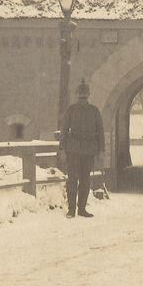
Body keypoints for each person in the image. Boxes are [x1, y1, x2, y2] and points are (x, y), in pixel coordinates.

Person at [58, 78, 104, 219]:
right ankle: (71, 210)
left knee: (85, 180)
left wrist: (101, 150)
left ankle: (82, 209)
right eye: (80, 95)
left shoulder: (94, 111)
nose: (82, 97)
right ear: (77, 94)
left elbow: (100, 131)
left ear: (88, 94)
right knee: (72, 179)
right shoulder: (71, 110)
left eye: (84, 95)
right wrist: (62, 148)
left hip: (89, 150)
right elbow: (64, 129)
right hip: (73, 149)